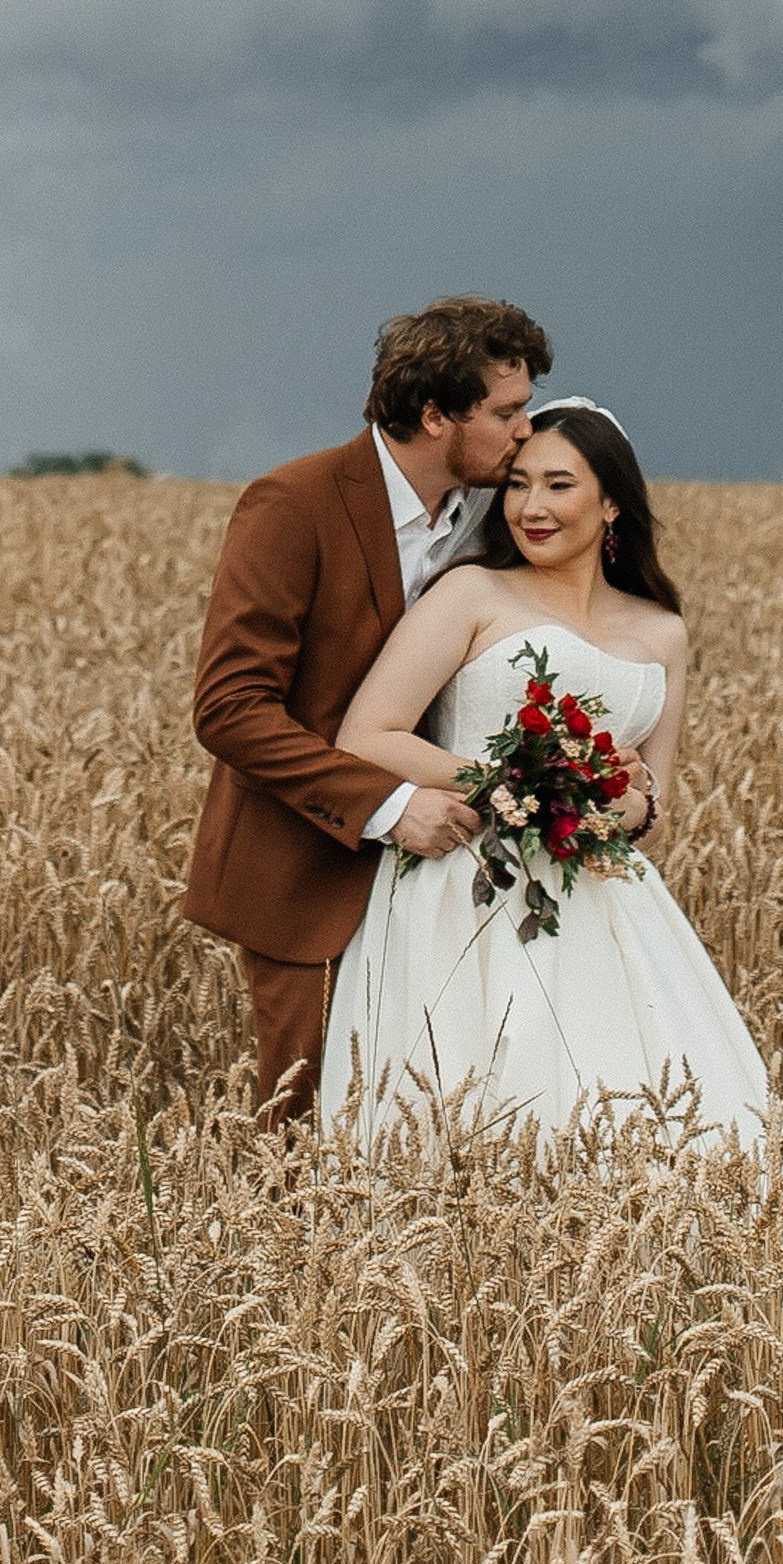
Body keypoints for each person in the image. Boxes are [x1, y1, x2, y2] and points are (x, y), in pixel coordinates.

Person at [316, 400, 771, 1151]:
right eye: (518, 484)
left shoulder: (661, 631)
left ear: (612, 499)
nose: (531, 507)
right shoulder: (470, 594)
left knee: (641, 1113)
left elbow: (652, 807)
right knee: (465, 1108)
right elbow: (368, 737)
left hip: (601, 903)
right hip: (460, 890)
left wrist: (614, 800)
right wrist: (515, 781)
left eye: (558, 485)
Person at [183, 296, 553, 1121]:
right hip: (307, 870)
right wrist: (390, 808)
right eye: (506, 411)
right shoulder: (294, 504)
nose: (525, 429)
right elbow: (231, 709)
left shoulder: (499, 520)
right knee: (307, 1127)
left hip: (466, 878)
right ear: (433, 415)